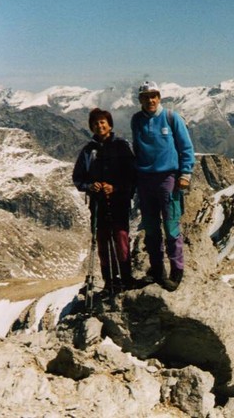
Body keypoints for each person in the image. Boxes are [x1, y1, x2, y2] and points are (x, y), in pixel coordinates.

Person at [131, 81, 195, 291]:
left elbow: (186, 147)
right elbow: (137, 149)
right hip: (145, 180)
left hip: (168, 178)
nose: (151, 100)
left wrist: (185, 173)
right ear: (140, 99)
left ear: (159, 97)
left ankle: (177, 270)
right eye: (146, 97)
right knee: (150, 227)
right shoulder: (136, 120)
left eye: (154, 96)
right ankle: (158, 270)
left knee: (171, 225)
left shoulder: (171, 117)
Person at [73, 108, 136, 292]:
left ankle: (125, 278)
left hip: (118, 201)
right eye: (95, 123)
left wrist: (116, 187)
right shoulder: (87, 150)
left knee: (121, 238)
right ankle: (110, 280)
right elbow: (78, 177)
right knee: (102, 241)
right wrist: (89, 186)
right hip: (98, 203)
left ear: (109, 124)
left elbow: (132, 175)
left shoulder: (122, 146)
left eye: (102, 122)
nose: (99, 126)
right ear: (91, 127)